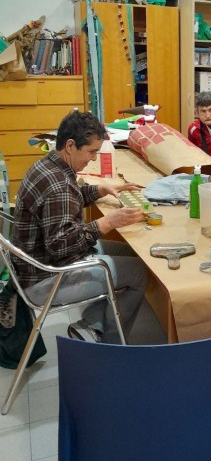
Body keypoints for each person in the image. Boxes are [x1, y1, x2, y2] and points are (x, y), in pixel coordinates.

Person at [12, 110, 149, 344]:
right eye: (91, 152)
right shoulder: (59, 186)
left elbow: (68, 199)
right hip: (45, 279)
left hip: (36, 267)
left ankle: (92, 325)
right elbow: (60, 246)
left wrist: (100, 189)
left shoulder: (49, 166)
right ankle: (106, 341)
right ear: (70, 146)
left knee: (134, 254)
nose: (93, 159)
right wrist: (107, 222)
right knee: (139, 273)